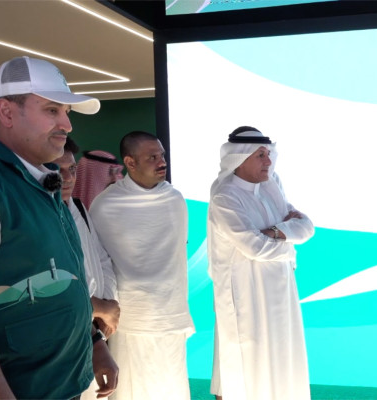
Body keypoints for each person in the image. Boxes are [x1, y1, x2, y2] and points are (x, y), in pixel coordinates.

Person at [0, 56, 118, 399]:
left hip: (63, 384)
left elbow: (63, 278)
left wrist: (93, 342)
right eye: (51, 110)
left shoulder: (40, 181)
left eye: (67, 112)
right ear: (6, 112)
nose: (67, 124)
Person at [207, 126, 315, 400]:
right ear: (239, 158)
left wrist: (275, 232)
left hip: (282, 289)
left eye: (268, 154)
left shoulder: (271, 186)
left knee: (282, 357)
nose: (268, 161)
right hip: (248, 292)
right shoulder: (226, 197)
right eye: (260, 155)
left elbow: (307, 227)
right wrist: (288, 242)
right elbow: (254, 247)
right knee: (249, 361)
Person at [89, 130, 195, 400]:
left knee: (172, 388)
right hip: (130, 320)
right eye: (152, 157)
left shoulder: (174, 199)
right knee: (132, 391)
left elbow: (177, 252)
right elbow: (99, 263)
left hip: (171, 315)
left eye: (162, 155)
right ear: (130, 162)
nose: (162, 162)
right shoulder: (105, 205)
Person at [53, 137, 121, 400]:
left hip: (94, 329)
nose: (67, 178)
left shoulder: (80, 208)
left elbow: (102, 261)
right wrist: (100, 308)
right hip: (65, 335)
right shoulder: (40, 218)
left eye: (72, 169)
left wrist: (108, 306)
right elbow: (53, 286)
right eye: (57, 170)